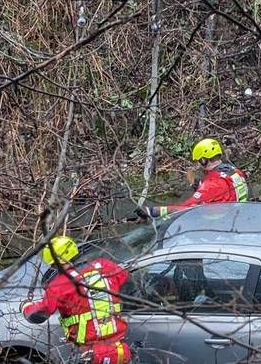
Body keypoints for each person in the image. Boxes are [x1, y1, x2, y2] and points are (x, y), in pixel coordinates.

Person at [22, 236, 131, 364]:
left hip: (89, 353)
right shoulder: (105, 265)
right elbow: (128, 281)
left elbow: (39, 314)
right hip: (120, 350)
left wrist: (26, 307)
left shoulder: (60, 284)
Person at [136, 138, 248, 218]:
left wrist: (153, 211)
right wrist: (197, 184)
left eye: (198, 161)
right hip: (235, 218)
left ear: (203, 160)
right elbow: (223, 194)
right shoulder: (235, 172)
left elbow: (186, 209)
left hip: (217, 226)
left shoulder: (212, 184)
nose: (197, 164)